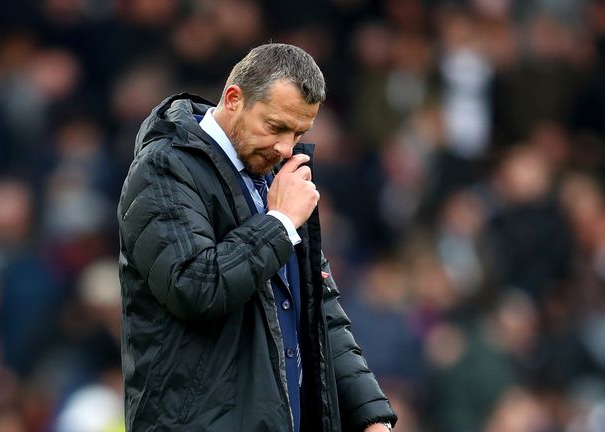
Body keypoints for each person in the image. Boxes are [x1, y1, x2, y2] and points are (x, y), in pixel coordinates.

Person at [117, 43, 397, 431]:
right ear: (234, 99)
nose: (286, 147)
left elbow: (320, 311)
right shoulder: (163, 168)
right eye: (276, 126)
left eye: (299, 133)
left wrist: (370, 417)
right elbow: (194, 286)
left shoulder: (275, 177)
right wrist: (280, 221)